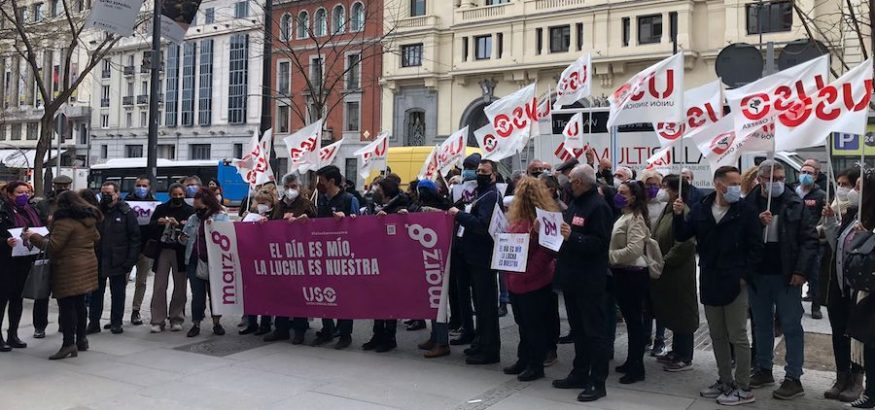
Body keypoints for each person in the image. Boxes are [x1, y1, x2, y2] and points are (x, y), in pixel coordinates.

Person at [673, 166, 763, 406]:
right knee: (717, 335)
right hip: (710, 277)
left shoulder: (745, 211)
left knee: (738, 335)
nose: (736, 188)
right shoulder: (702, 208)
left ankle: (744, 387)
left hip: (735, 280)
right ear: (718, 184)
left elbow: (756, 248)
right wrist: (678, 215)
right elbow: (682, 235)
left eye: (737, 183)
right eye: (731, 183)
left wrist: (744, 276)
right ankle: (725, 380)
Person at [744, 161, 818, 400]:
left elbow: (809, 240)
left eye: (780, 178)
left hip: (787, 276)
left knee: (791, 326)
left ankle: (793, 377)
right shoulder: (750, 203)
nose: (777, 183)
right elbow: (740, 235)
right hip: (759, 275)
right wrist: (757, 222)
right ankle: (764, 368)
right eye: (771, 178)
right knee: (761, 324)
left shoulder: (795, 203)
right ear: (761, 179)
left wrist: (801, 271)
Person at [551, 164, 613, 402]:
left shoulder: (598, 207)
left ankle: (598, 382)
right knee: (579, 331)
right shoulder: (576, 202)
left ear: (580, 182)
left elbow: (599, 244)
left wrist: (573, 237)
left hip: (590, 280)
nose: (568, 183)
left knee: (594, 332)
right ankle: (579, 372)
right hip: (571, 277)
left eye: (572, 180)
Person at [25, 191, 101, 360]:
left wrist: (33, 237)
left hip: (68, 267)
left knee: (67, 306)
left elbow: (53, 246)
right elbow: (96, 237)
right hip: (87, 264)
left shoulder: (64, 221)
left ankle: (68, 344)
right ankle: (82, 340)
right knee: (80, 304)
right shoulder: (88, 219)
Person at [500, 176, 558, 382]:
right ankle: (524, 359)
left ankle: (535, 364)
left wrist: (528, 271)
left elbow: (547, 251)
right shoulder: (518, 217)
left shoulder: (543, 219)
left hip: (533, 280)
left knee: (534, 326)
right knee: (523, 324)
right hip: (517, 279)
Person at [449, 159, 503, 365]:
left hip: (483, 257)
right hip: (473, 255)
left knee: (486, 306)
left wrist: (459, 215)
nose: (478, 174)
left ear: (493, 175)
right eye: (477, 170)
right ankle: (481, 342)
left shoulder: (491, 195)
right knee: (479, 305)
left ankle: (490, 350)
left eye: (483, 171)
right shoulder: (480, 194)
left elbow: (482, 225)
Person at [822, 170, 866, 403]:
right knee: (839, 333)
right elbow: (836, 244)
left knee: (857, 336)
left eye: (855, 187)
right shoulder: (848, 214)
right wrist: (830, 220)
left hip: (860, 290)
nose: (848, 191)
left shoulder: (868, 217)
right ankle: (841, 376)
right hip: (838, 287)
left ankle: (857, 380)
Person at [651, 175, 698, 372]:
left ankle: (684, 356)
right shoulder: (668, 210)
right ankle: (677, 351)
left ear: (675, 190)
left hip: (678, 271)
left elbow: (684, 244)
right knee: (673, 311)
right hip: (666, 271)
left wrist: (664, 261)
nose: (661, 190)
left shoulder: (683, 211)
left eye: (664, 187)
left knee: (683, 313)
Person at [264, 173, 317, 344]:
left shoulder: (306, 204)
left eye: (293, 186)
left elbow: (317, 223)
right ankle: (281, 329)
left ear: (299, 187)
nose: (290, 190)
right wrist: (266, 221)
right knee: (280, 293)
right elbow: (272, 223)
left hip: (300, 255)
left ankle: (299, 330)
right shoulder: (279, 205)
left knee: (298, 294)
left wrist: (303, 220)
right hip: (280, 255)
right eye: (287, 187)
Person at [311, 165, 359, 349]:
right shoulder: (321, 200)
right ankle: (327, 329)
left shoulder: (349, 199)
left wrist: (346, 218)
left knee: (345, 296)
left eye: (321, 180)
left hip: (344, 256)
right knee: (324, 294)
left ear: (331, 181)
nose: (319, 184)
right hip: (324, 255)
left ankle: (345, 334)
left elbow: (361, 226)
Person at [362, 176, 411, 353]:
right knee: (377, 298)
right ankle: (377, 334)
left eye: (380, 188)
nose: (377, 191)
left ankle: (389, 337)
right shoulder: (375, 203)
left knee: (390, 298)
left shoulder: (402, 205)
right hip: (376, 254)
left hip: (394, 258)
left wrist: (393, 217)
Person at [609, 180, 651, 385]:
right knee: (632, 321)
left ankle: (637, 367)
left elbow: (634, 249)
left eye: (623, 193)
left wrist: (610, 256)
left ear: (633, 197)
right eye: (618, 191)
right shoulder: (624, 215)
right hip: (623, 273)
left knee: (635, 323)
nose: (619, 195)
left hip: (632, 274)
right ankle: (631, 361)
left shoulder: (636, 218)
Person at [88, 181, 140, 335]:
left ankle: (116, 322)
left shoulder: (126, 212)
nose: (105, 196)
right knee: (96, 294)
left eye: (109, 194)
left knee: (118, 294)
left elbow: (135, 238)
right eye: (103, 193)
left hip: (119, 259)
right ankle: (94, 322)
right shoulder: (97, 212)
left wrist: (130, 261)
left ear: (117, 194)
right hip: (98, 258)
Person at [409, 179, 454, 358]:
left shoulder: (444, 205)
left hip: (439, 259)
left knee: (440, 302)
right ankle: (435, 336)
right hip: (426, 259)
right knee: (431, 301)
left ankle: (442, 342)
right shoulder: (419, 206)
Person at [0, 182, 44, 350]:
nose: (24, 196)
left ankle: (13, 334)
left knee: (17, 299)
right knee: (2, 300)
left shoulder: (32, 210)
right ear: (10, 194)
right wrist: (5, 242)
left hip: (24, 260)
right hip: (5, 262)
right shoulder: (3, 212)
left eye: (26, 192)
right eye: (20, 193)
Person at [181, 188, 230, 337]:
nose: (196, 206)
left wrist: (213, 227)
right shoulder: (193, 219)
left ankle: (217, 322)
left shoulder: (221, 217)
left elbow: (227, 238)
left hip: (214, 262)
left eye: (198, 201)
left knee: (214, 294)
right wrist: (181, 238)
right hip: (195, 260)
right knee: (197, 295)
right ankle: (196, 323)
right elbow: (185, 238)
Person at [148, 183, 194, 333]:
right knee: (159, 286)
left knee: (180, 287)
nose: (178, 198)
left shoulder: (189, 211)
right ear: (170, 195)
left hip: (180, 253)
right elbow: (151, 226)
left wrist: (179, 226)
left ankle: (176, 317)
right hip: (163, 251)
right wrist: (160, 222)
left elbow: (191, 233)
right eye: (175, 195)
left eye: (180, 195)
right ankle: (157, 319)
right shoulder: (161, 208)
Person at [32, 175, 72, 338]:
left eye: (65, 186)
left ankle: (65, 324)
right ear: (54, 186)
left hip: (65, 252)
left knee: (65, 292)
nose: (61, 188)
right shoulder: (43, 204)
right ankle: (39, 326)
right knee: (42, 292)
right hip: (46, 249)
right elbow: (35, 222)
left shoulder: (73, 203)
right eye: (59, 185)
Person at [449, 153, 481, 347]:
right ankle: (467, 329)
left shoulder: (486, 191)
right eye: (466, 166)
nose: (467, 170)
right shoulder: (458, 189)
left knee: (478, 295)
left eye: (471, 167)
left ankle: (480, 334)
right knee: (462, 292)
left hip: (476, 249)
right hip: (459, 246)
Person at [239, 190, 276, 336]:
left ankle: (266, 323)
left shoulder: (274, 216)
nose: (261, 205)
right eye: (259, 202)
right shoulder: (249, 217)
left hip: (268, 261)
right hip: (251, 259)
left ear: (271, 203)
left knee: (267, 293)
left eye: (265, 202)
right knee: (251, 293)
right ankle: (252, 322)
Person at [639, 169, 667, 356]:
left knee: (660, 302)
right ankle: (646, 337)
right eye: (648, 184)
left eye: (655, 184)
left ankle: (660, 339)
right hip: (642, 255)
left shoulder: (665, 204)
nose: (652, 188)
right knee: (645, 302)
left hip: (659, 254)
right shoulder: (640, 205)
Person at [795, 163, 827, 320]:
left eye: (809, 173)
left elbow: (825, 218)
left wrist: (818, 229)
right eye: (803, 172)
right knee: (796, 273)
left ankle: (816, 306)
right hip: (795, 241)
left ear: (815, 176)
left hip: (813, 242)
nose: (805, 175)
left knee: (814, 275)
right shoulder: (794, 192)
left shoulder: (820, 195)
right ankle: (796, 305)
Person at [126, 176, 157, 326]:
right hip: (128, 248)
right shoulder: (126, 203)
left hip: (146, 248)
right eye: (139, 185)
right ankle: (117, 312)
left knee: (142, 282)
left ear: (149, 187)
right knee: (121, 281)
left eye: (144, 185)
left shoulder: (154, 204)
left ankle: (135, 310)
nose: (141, 188)